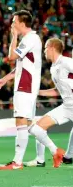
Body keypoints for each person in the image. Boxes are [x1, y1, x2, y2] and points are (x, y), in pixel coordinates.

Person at [0, 10, 45, 170]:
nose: (12, 25)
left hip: (26, 86)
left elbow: (11, 56)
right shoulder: (30, 39)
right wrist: (5, 79)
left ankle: (17, 162)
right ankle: (53, 151)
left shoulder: (30, 38)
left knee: (21, 122)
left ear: (22, 24)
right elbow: (20, 67)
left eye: (14, 22)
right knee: (30, 125)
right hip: (26, 85)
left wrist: (14, 36)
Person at [27, 38, 73, 168]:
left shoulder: (66, 62)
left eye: (46, 48)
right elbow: (57, 91)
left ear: (52, 47)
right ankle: (41, 159)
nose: (44, 51)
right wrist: (37, 92)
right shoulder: (54, 68)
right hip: (67, 106)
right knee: (37, 128)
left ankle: (67, 156)